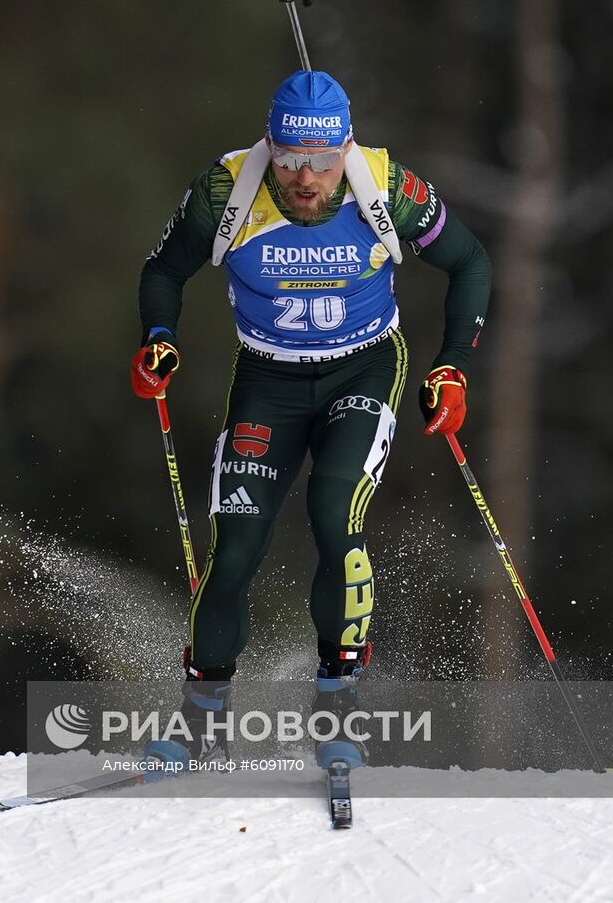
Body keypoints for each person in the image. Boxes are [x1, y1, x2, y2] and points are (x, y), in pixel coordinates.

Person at [130, 69, 491, 768]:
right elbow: (162, 271)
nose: (305, 179)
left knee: (335, 513)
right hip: (268, 378)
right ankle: (200, 720)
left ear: (345, 149)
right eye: (291, 160)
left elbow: (469, 261)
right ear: (271, 145)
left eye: (322, 163)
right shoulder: (225, 190)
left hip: (363, 368)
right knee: (232, 550)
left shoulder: (386, 188)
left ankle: (337, 716)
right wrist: (158, 337)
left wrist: (452, 365)